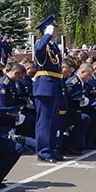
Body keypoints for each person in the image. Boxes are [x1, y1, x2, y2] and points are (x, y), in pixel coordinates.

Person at [33, 14, 64, 163]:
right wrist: (46, 34)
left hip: (54, 85)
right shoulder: (41, 44)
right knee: (44, 122)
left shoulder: (53, 46)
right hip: (45, 87)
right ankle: (43, 152)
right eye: (54, 28)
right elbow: (38, 49)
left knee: (53, 122)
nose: (56, 31)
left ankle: (52, 149)